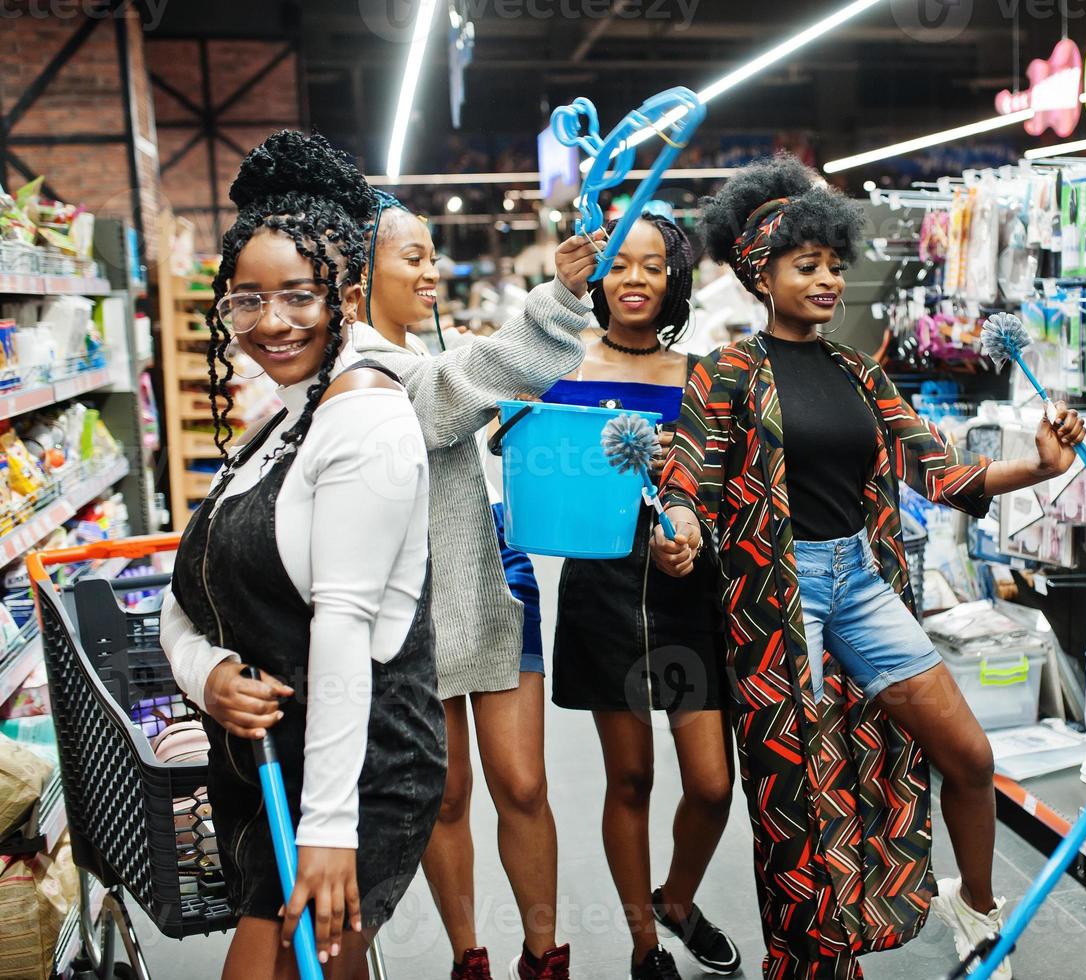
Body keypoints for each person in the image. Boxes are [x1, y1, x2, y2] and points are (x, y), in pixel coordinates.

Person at [653, 156, 1085, 979]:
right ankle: (811, 958)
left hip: (859, 583)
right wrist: (678, 529)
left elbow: (944, 475)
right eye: (806, 265)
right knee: (797, 800)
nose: (827, 280)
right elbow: (688, 477)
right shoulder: (728, 374)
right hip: (779, 600)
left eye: (833, 265)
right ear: (760, 273)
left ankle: (977, 907)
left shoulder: (860, 372)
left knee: (967, 756)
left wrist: (1040, 464)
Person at [159, 131, 445, 979]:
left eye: (297, 296)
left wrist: (328, 829)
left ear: (346, 296)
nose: (270, 321)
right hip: (266, 774)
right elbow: (187, 598)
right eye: (247, 299)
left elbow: (345, 627)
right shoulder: (279, 423)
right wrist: (203, 673)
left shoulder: (367, 419)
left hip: (354, 777)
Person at [349, 192, 589, 980]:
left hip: (490, 571)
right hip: (411, 604)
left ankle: (544, 956)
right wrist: (556, 300)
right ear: (358, 272)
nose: (432, 270)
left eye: (430, 255)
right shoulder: (363, 372)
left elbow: (464, 391)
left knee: (521, 783)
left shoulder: (420, 354)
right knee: (445, 795)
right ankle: (470, 960)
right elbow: (467, 378)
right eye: (411, 257)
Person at [540, 212, 740, 980]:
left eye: (652, 266)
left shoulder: (700, 377)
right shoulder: (564, 369)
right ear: (597, 275)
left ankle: (678, 901)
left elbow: (723, 493)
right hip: (602, 596)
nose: (634, 280)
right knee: (630, 779)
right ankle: (644, 946)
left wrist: (695, 530)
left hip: (686, 595)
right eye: (619, 264)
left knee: (712, 786)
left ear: (673, 280)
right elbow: (528, 464)